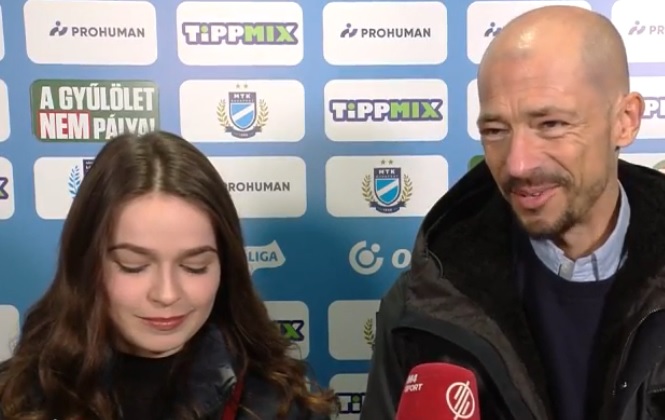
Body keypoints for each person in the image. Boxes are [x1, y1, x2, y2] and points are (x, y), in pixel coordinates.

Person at [361, 5, 665, 420]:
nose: (518, 164)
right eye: (495, 130)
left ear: (625, 120)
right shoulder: (421, 307)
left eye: (551, 124)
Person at [0, 131, 337, 420]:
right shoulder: (16, 400)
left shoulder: (282, 407)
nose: (166, 294)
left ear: (226, 268)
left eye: (195, 266)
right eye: (133, 265)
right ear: (86, 265)